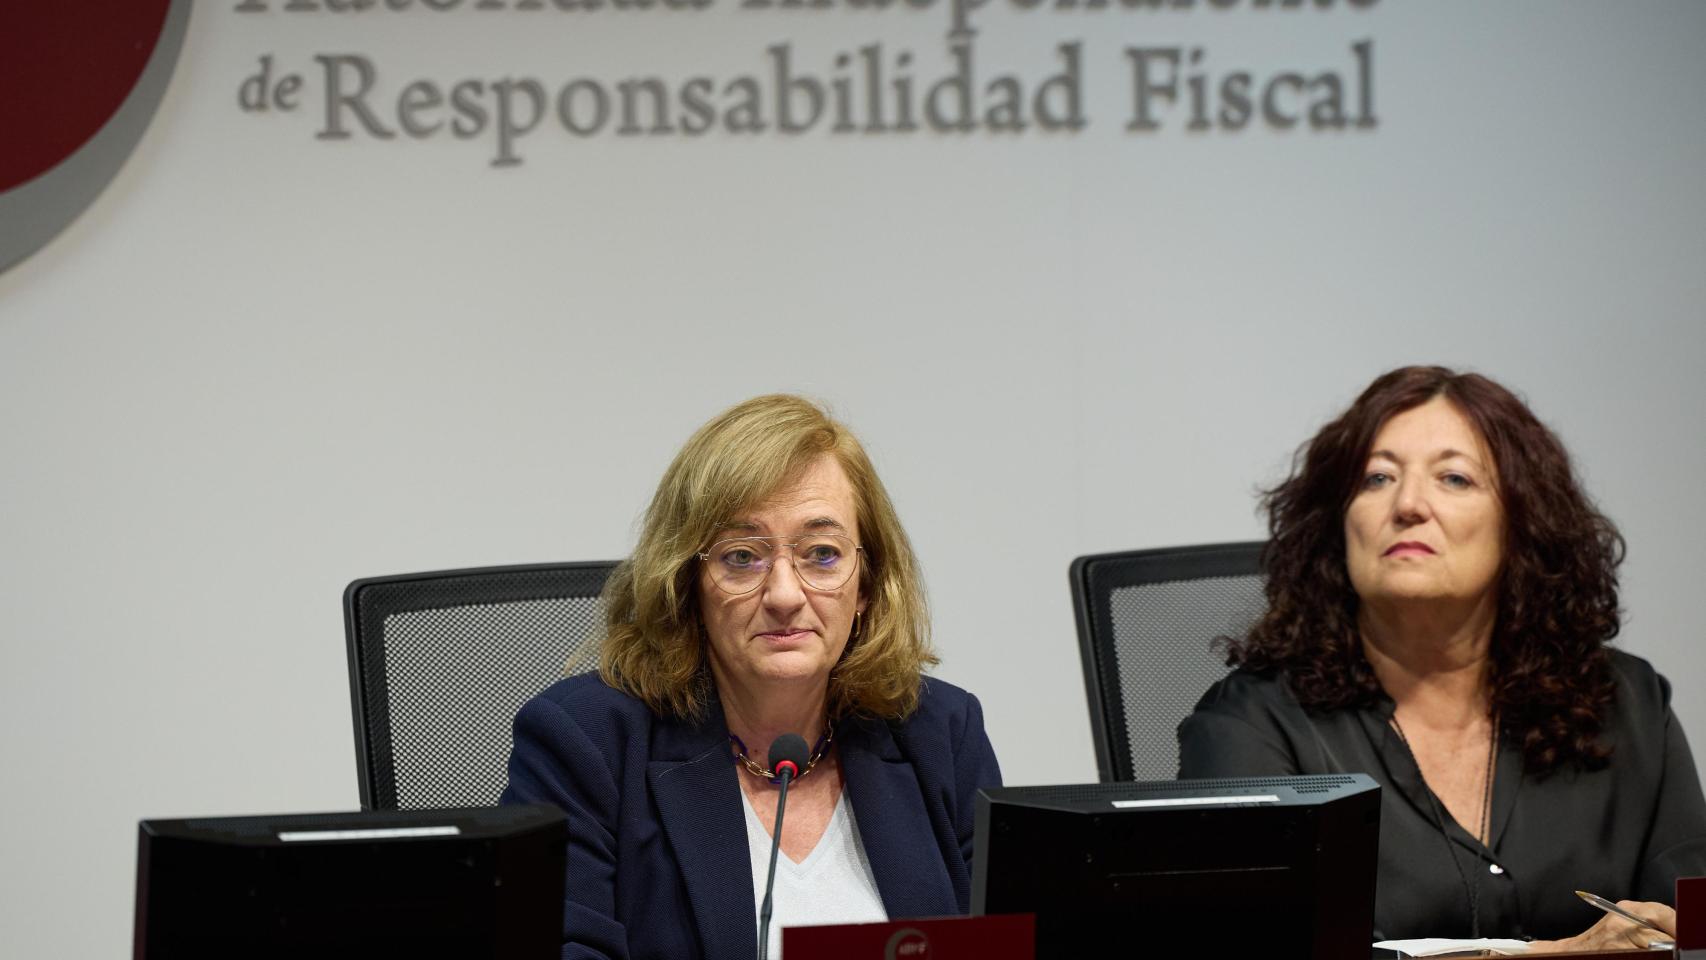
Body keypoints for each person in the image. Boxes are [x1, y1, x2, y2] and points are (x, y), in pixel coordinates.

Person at [1178, 366, 1706, 950]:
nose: (1408, 504)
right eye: (1376, 478)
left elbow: (1691, 921)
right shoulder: (1252, 724)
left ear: (1523, 522)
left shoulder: (1627, 705)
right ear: (1337, 523)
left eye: (1454, 478)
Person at [502, 394, 1002, 960]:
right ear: (686, 585)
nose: (785, 595)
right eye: (741, 557)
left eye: (822, 553)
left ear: (866, 584)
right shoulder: (586, 742)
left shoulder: (940, 733)